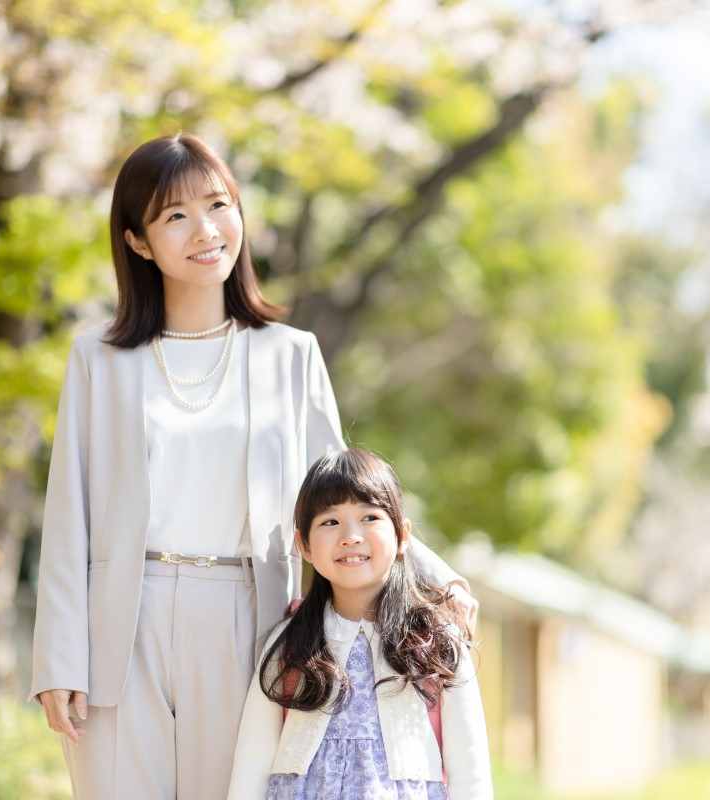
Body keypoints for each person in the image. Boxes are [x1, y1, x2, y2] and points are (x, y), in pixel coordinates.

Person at [28, 132, 477, 800]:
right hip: (118, 621)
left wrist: (439, 578)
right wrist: (58, 657)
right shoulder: (98, 359)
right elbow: (69, 513)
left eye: (219, 204)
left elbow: (344, 496)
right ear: (138, 242)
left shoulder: (288, 355)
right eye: (175, 215)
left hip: (248, 620)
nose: (205, 230)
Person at [226, 448, 493, 799]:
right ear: (303, 545)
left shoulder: (437, 642)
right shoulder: (290, 645)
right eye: (330, 521)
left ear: (402, 536)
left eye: (369, 517)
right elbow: (252, 765)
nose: (350, 535)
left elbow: (470, 771)